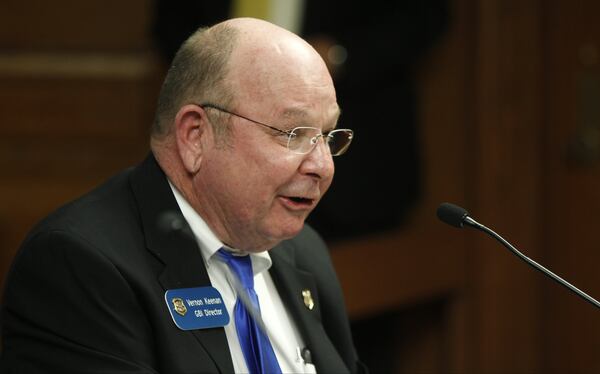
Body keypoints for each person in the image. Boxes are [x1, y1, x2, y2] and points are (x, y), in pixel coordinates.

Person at [0, 18, 365, 373]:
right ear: (195, 136)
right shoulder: (82, 265)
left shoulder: (303, 251)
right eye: (293, 133)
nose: (322, 166)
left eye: (329, 136)